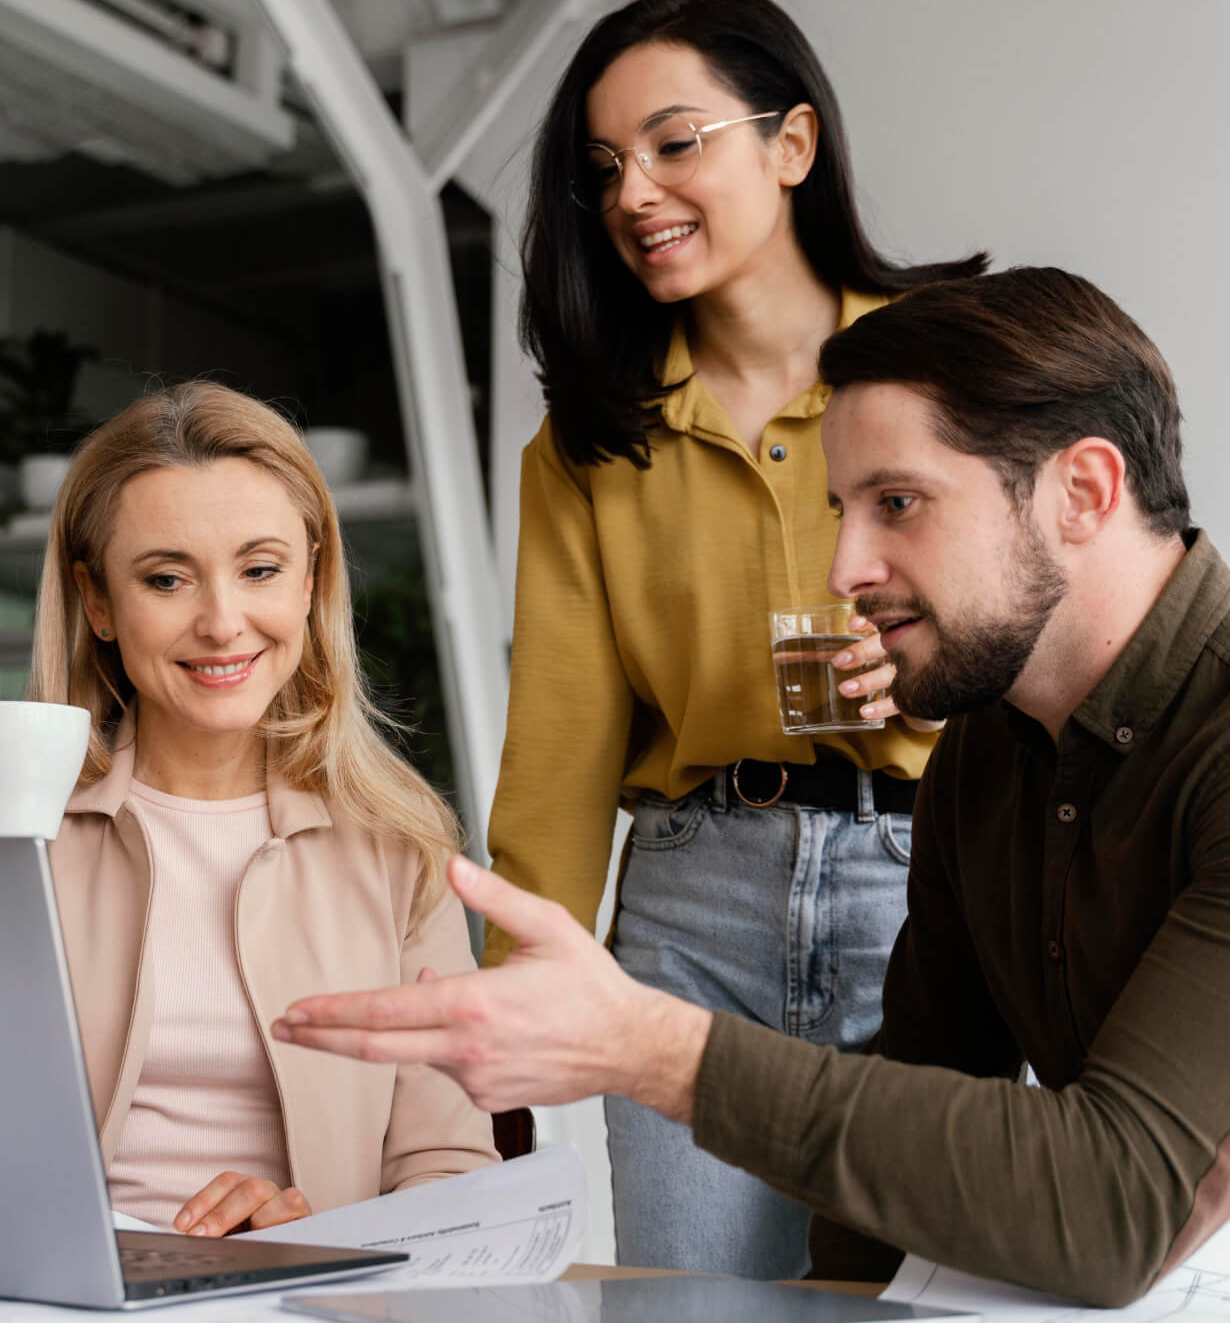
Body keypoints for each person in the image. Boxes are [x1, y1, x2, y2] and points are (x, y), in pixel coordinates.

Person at [272, 266, 1230, 1307]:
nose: (845, 569)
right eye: (840, 510)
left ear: (1083, 492)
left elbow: (1109, 1207)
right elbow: (914, 1128)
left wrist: (654, 1048)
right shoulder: (985, 755)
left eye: (897, 504)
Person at [488, 0, 985, 1275]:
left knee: (924, 1304)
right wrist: (513, 995)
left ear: (792, 142)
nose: (632, 193)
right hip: (688, 914)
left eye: (672, 143)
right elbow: (558, 758)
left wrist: (934, 680)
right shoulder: (585, 446)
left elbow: (1067, 643)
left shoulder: (957, 373)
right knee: (689, 1311)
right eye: (604, 167)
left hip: (930, 896)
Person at [29, 381, 498, 1236]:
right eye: (166, 579)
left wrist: (313, 1239)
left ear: (311, 581)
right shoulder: (23, 837)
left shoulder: (401, 847)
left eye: (259, 570)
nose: (222, 622)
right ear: (97, 602)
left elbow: (448, 1169)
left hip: (314, 1290)